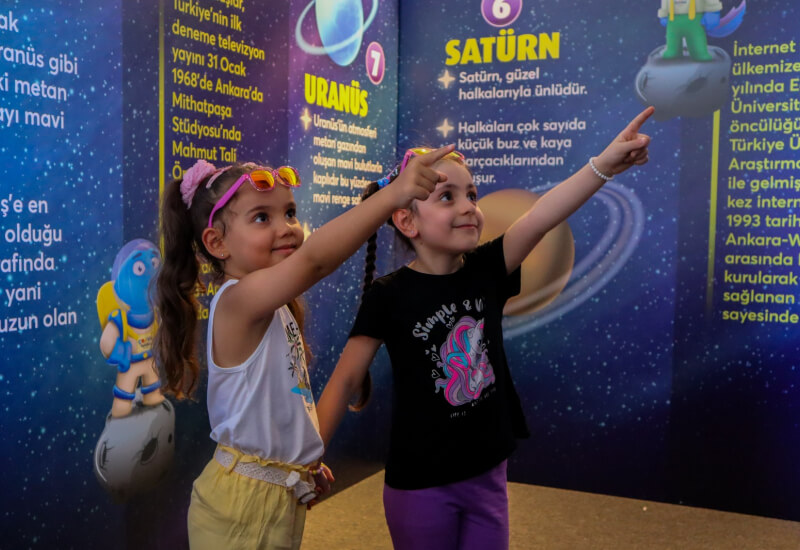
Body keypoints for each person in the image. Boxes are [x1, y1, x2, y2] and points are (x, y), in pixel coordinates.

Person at [316, 107, 654, 550]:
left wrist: (603, 165)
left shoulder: (488, 268)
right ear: (406, 220)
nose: (469, 208)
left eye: (471, 195)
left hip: (488, 475)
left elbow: (542, 215)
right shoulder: (389, 295)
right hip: (420, 484)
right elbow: (345, 380)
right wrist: (308, 457)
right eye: (447, 197)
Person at [153, 147, 456, 550]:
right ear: (217, 242)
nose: (287, 228)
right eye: (262, 217)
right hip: (240, 509)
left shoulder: (275, 307)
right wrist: (393, 195)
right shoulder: (237, 301)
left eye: (290, 213)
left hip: (269, 499)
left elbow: (281, 406)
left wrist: (299, 465)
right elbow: (315, 261)